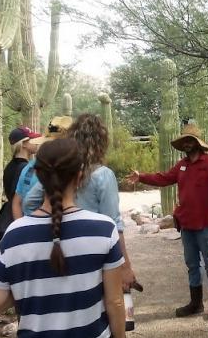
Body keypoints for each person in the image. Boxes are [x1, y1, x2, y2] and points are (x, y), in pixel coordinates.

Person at [0, 138, 126, 338]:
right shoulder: (104, 229)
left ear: (39, 177)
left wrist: (31, 286)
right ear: (79, 176)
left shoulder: (13, 235)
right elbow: (115, 301)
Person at [128, 123, 208, 321]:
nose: (187, 144)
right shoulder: (181, 165)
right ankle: (195, 303)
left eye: (190, 140)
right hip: (186, 224)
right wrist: (141, 176)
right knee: (192, 264)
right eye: (184, 140)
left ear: (197, 144)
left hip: (205, 223)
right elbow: (163, 178)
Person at [23, 114, 137, 290]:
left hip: (60, 243)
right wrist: (125, 267)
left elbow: (29, 202)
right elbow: (114, 224)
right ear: (102, 142)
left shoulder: (62, 171)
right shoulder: (103, 175)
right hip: (95, 250)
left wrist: (44, 225)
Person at [11, 116, 72, 220]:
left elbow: (17, 203)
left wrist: (22, 228)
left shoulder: (29, 168)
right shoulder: (73, 170)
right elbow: (21, 202)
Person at [0, 126, 41, 245]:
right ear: (24, 144)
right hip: (21, 218)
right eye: (32, 140)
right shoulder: (25, 169)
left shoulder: (10, 167)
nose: (36, 143)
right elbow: (21, 198)